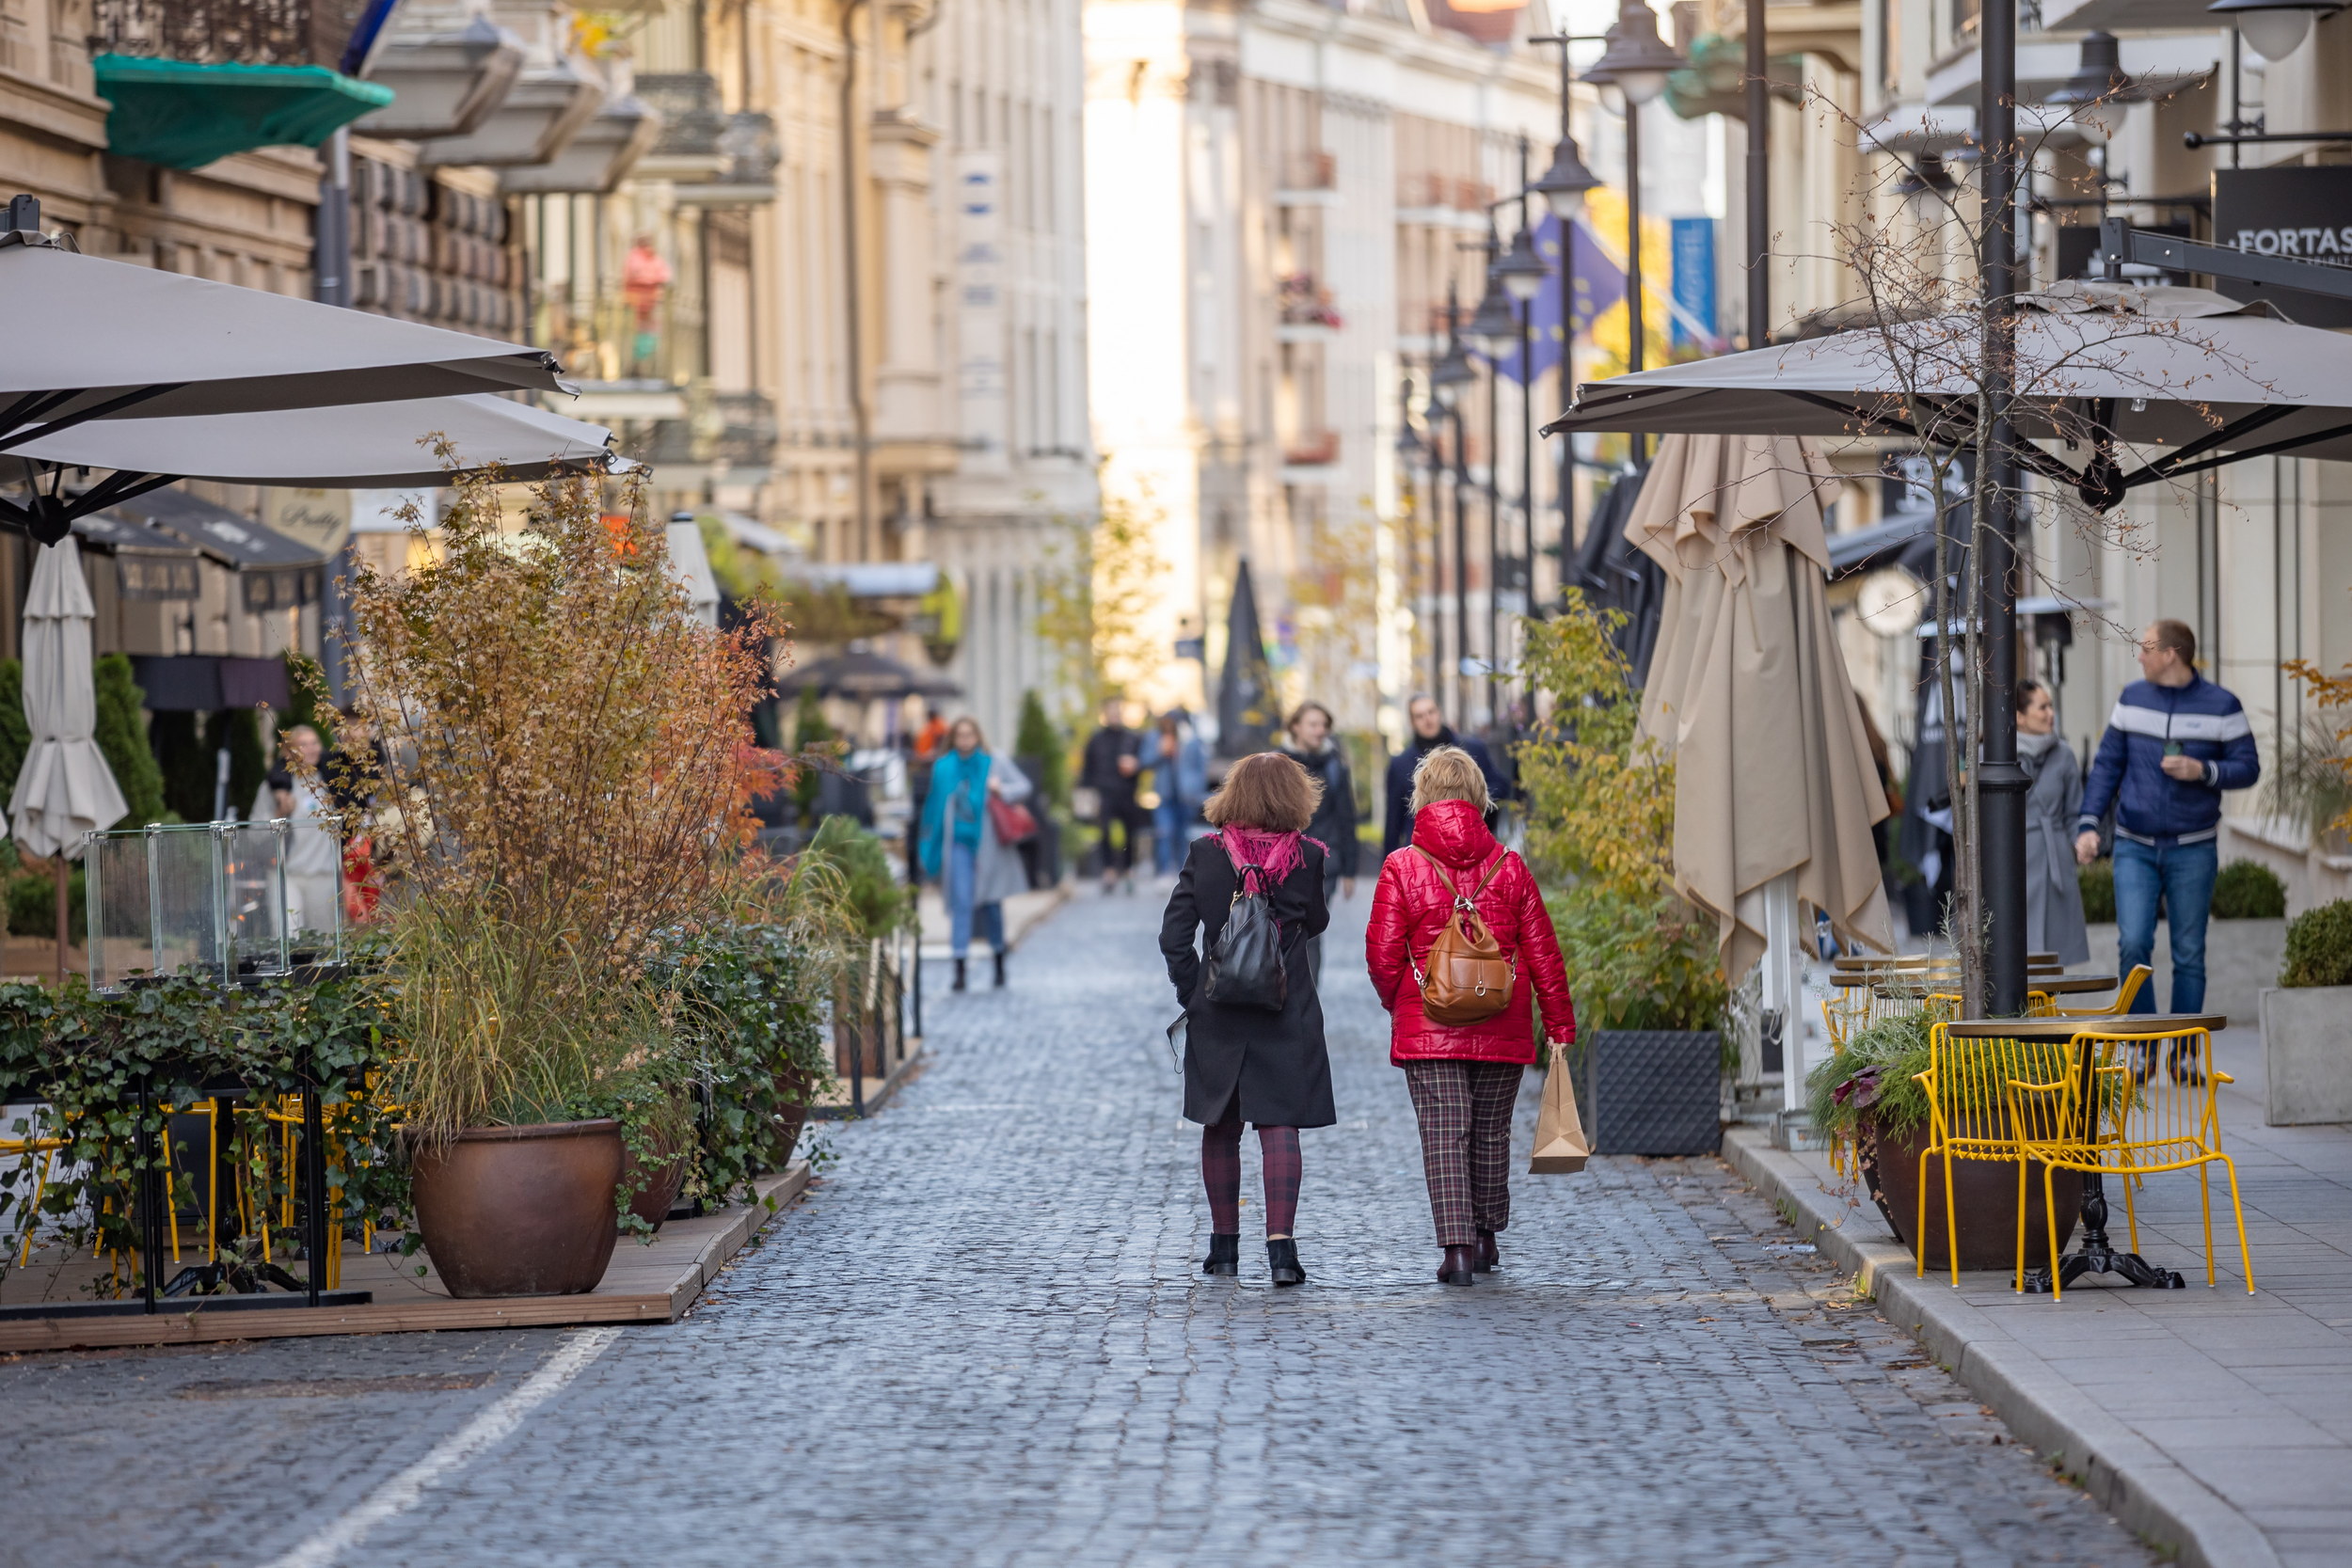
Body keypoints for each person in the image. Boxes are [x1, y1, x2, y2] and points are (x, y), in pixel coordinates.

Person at [1367, 745, 1574, 1288]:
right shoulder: (1510, 867)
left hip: (1429, 1027)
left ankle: (1456, 1251)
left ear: (1422, 798)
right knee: (1489, 1131)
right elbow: (1543, 952)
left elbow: (1382, 955)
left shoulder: (1402, 867)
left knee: (1444, 1133)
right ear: (1481, 799)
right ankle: (1486, 1236)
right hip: (1502, 1019)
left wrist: (1405, 1005)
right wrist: (1559, 1026)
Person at [1159, 751, 1333, 1287]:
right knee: (1279, 1124)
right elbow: (1318, 922)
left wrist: (1195, 991)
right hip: (1288, 1007)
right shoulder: (1307, 855)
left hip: (1220, 1011)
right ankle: (1282, 1252)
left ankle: (1224, 1249)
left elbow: (1174, 936)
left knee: (1221, 1124)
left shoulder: (1205, 855)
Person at [2074, 620, 2260, 1018]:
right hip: (2133, 845)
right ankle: (2143, 1044)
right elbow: (2106, 765)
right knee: (2134, 945)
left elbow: (2249, 768)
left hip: (2193, 849)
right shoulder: (2131, 698)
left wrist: (2203, 770)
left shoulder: (2222, 704)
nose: (2138, 656)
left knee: (2189, 952)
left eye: (2145, 648)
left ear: (2170, 654)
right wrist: (2088, 824)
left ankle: (2184, 1051)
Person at [918, 717, 1035, 991]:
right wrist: (929, 849)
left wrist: (1000, 789)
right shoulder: (944, 767)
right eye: (960, 735)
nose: (965, 740)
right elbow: (934, 808)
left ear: (978, 736)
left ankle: (999, 963)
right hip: (956, 844)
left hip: (989, 846)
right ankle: (959, 970)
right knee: (961, 904)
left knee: (991, 904)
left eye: (970, 734)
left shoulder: (993, 761)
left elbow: (1024, 787)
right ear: (953, 738)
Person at [1278, 701, 1359, 979]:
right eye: (1313, 724)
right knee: (1285, 930)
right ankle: (1281, 994)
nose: (1319, 730)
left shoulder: (1335, 767)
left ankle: (1307, 1001)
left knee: (1311, 932)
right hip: (1282, 863)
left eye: (1323, 725)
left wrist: (1350, 869)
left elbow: (1347, 818)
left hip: (1325, 863)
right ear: (1296, 727)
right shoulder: (1277, 764)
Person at [2016, 680, 2090, 966]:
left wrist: (2081, 841)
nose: (2051, 713)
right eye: (2042, 707)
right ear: (2020, 716)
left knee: (2053, 951)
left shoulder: (2064, 754)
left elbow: (2074, 813)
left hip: (2052, 857)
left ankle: (2048, 1007)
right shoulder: (1993, 756)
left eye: (2051, 706)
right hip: (2014, 858)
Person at [1381, 694, 1506, 856]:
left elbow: (1500, 786)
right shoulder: (1400, 764)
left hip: (1469, 847)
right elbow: (1393, 821)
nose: (1427, 719)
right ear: (1412, 722)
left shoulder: (1472, 750)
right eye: (1420, 716)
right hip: (1421, 855)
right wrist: (1388, 868)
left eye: (1431, 712)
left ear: (1439, 713)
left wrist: (1473, 799)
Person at [1081, 696, 1147, 894]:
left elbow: (1143, 762)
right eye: (1111, 712)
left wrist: (1136, 766)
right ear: (1105, 714)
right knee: (1105, 833)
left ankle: (1128, 871)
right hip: (1104, 793)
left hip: (1127, 792)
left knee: (1129, 834)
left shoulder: (1132, 738)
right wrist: (1087, 792)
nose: (1114, 715)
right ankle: (1108, 871)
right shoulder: (1096, 739)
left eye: (1117, 712)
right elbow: (1087, 768)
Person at [1150, 709, 1209, 875]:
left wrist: (1196, 788)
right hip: (1165, 794)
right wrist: (1161, 752)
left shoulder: (1190, 739)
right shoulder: (1157, 738)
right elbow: (1146, 760)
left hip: (1185, 795)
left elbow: (1200, 767)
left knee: (1183, 834)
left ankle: (1183, 871)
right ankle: (1164, 871)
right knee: (1164, 832)